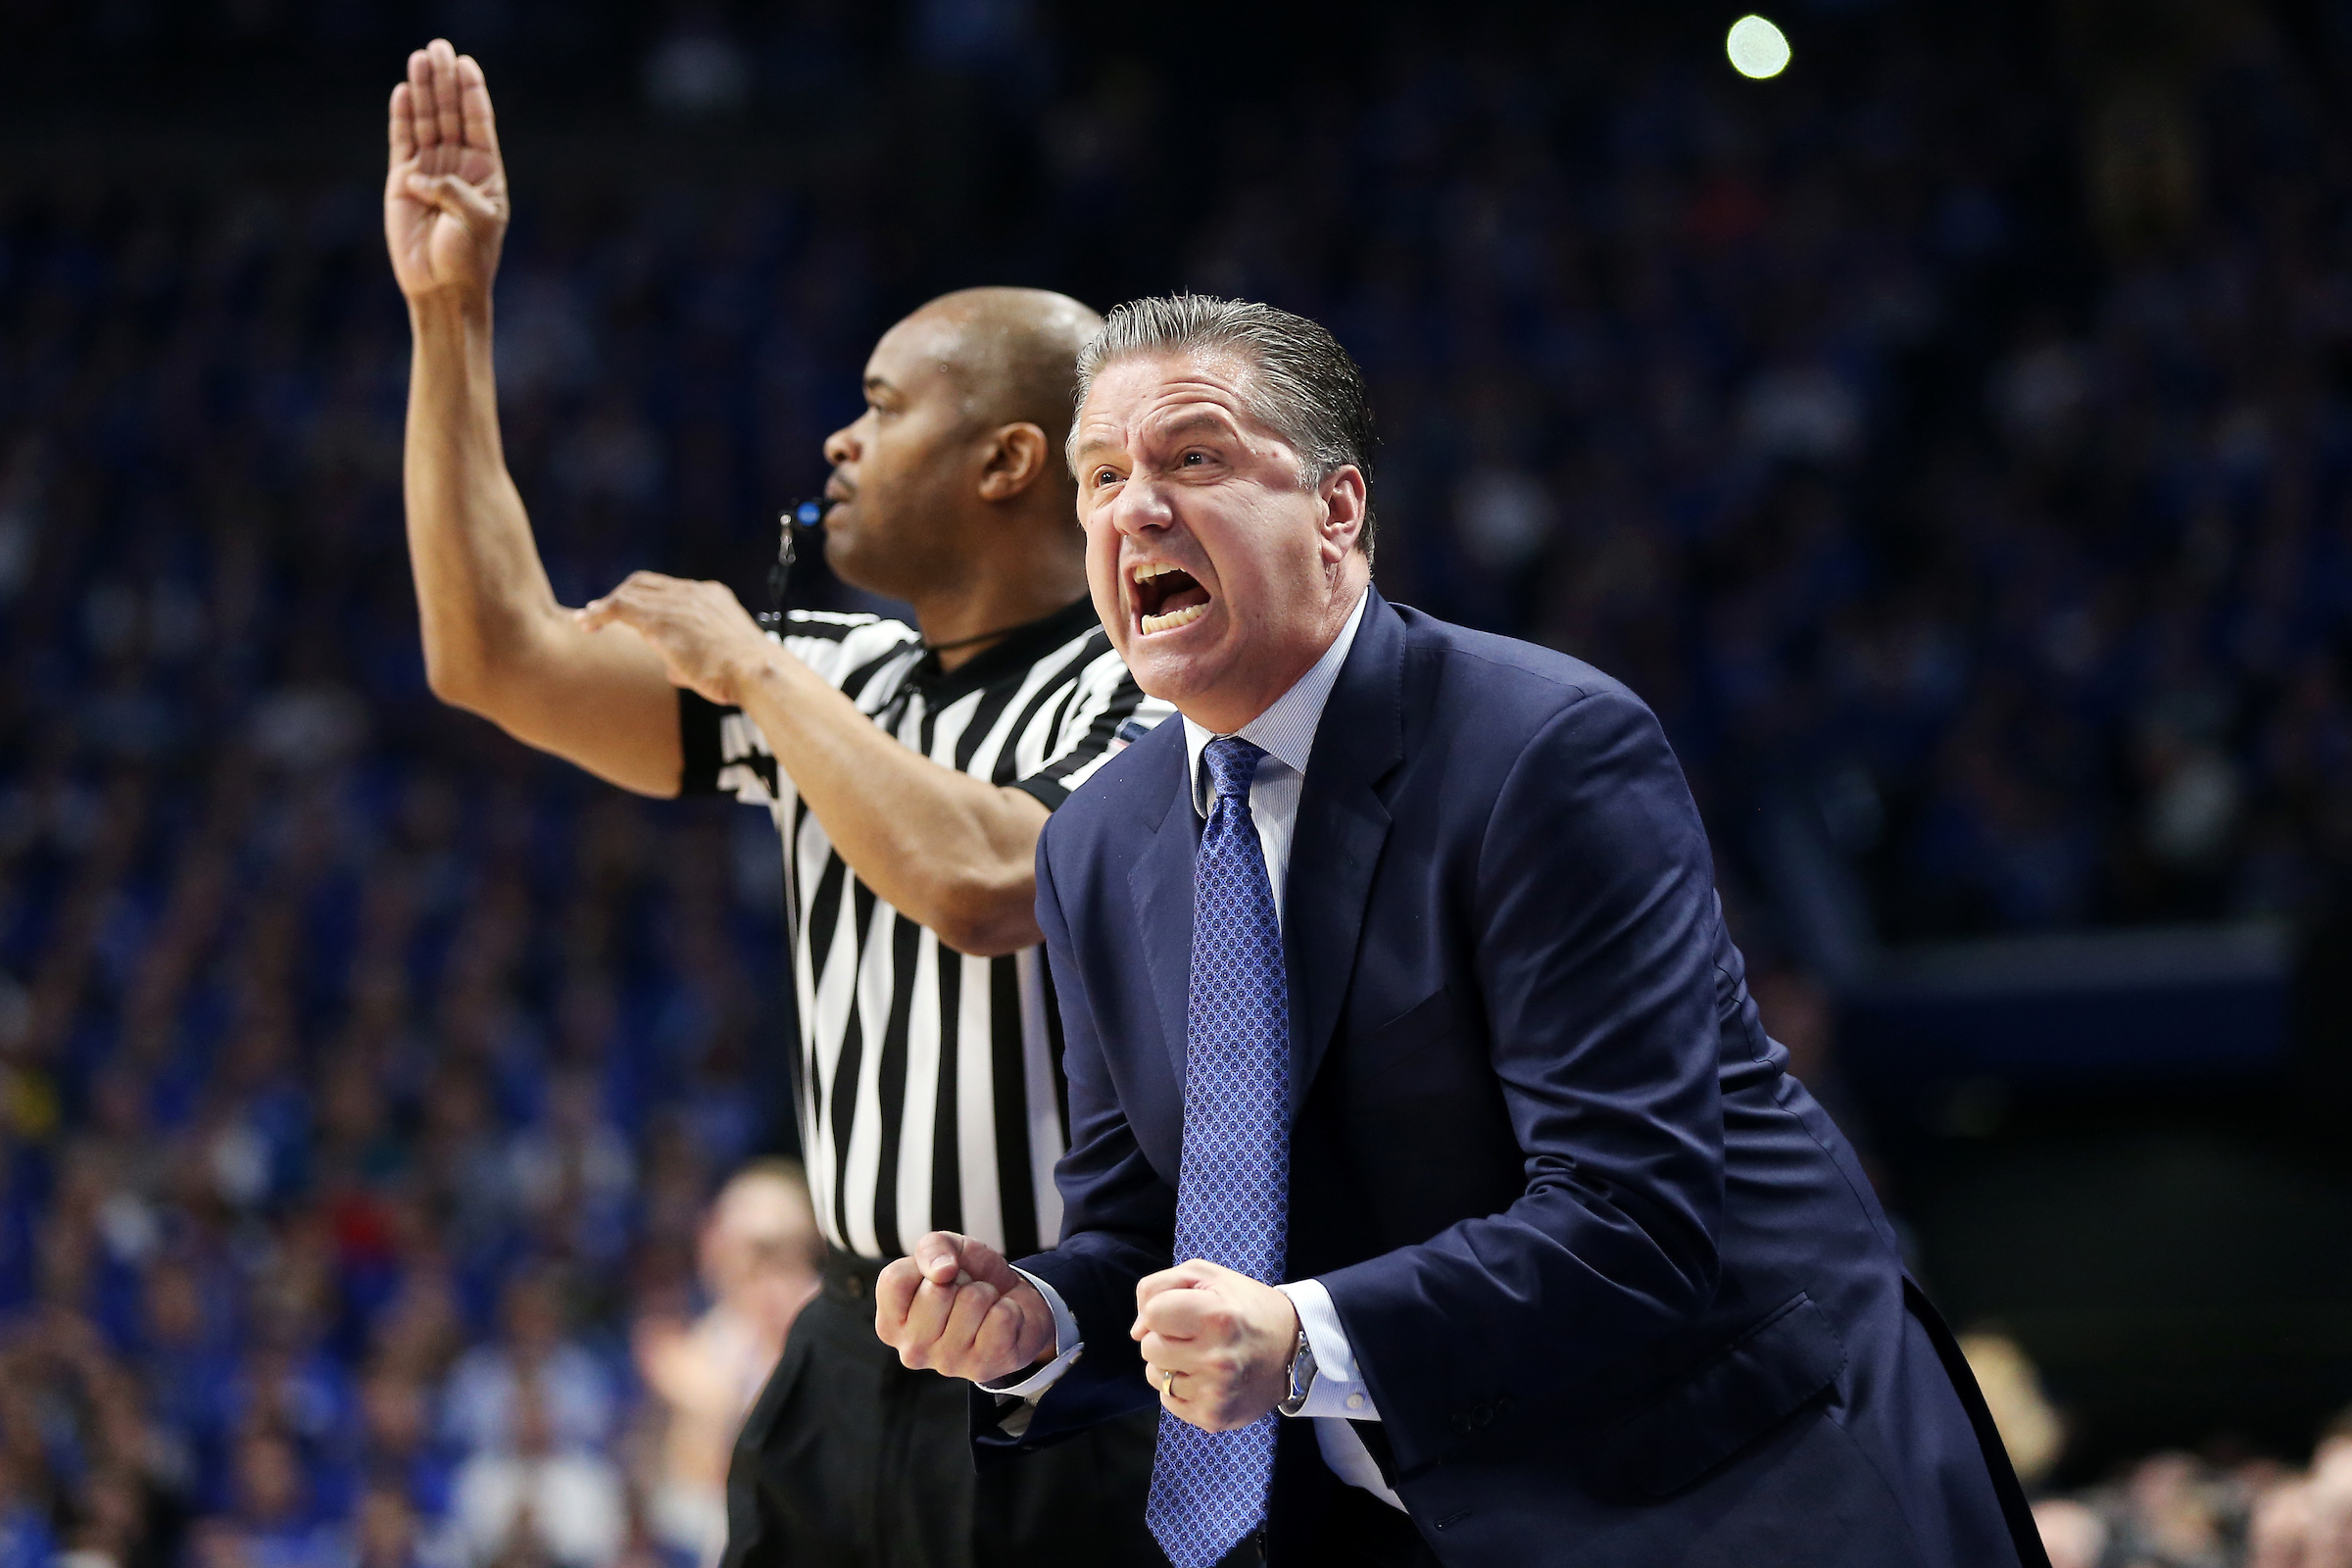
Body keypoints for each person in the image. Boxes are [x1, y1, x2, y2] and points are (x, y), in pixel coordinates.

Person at [875, 296, 2052, 1568]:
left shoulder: (1543, 749)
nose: (1132, 512)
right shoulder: (1094, 842)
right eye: (1100, 477)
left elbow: (1631, 1214)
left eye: (1193, 460)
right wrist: (1038, 1312)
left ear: (1337, 513)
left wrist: (1296, 1341)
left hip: (1730, 1490)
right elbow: (1148, 1238)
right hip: (1403, 1523)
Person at [383, 38, 1164, 1568]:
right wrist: (449, 313)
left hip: (1073, 1366)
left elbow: (985, 884)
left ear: (1011, 461)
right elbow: (496, 658)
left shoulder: (1152, 692)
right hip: (842, 1353)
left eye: (882, 406)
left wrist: (753, 670)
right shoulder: (825, 668)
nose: (838, 441)